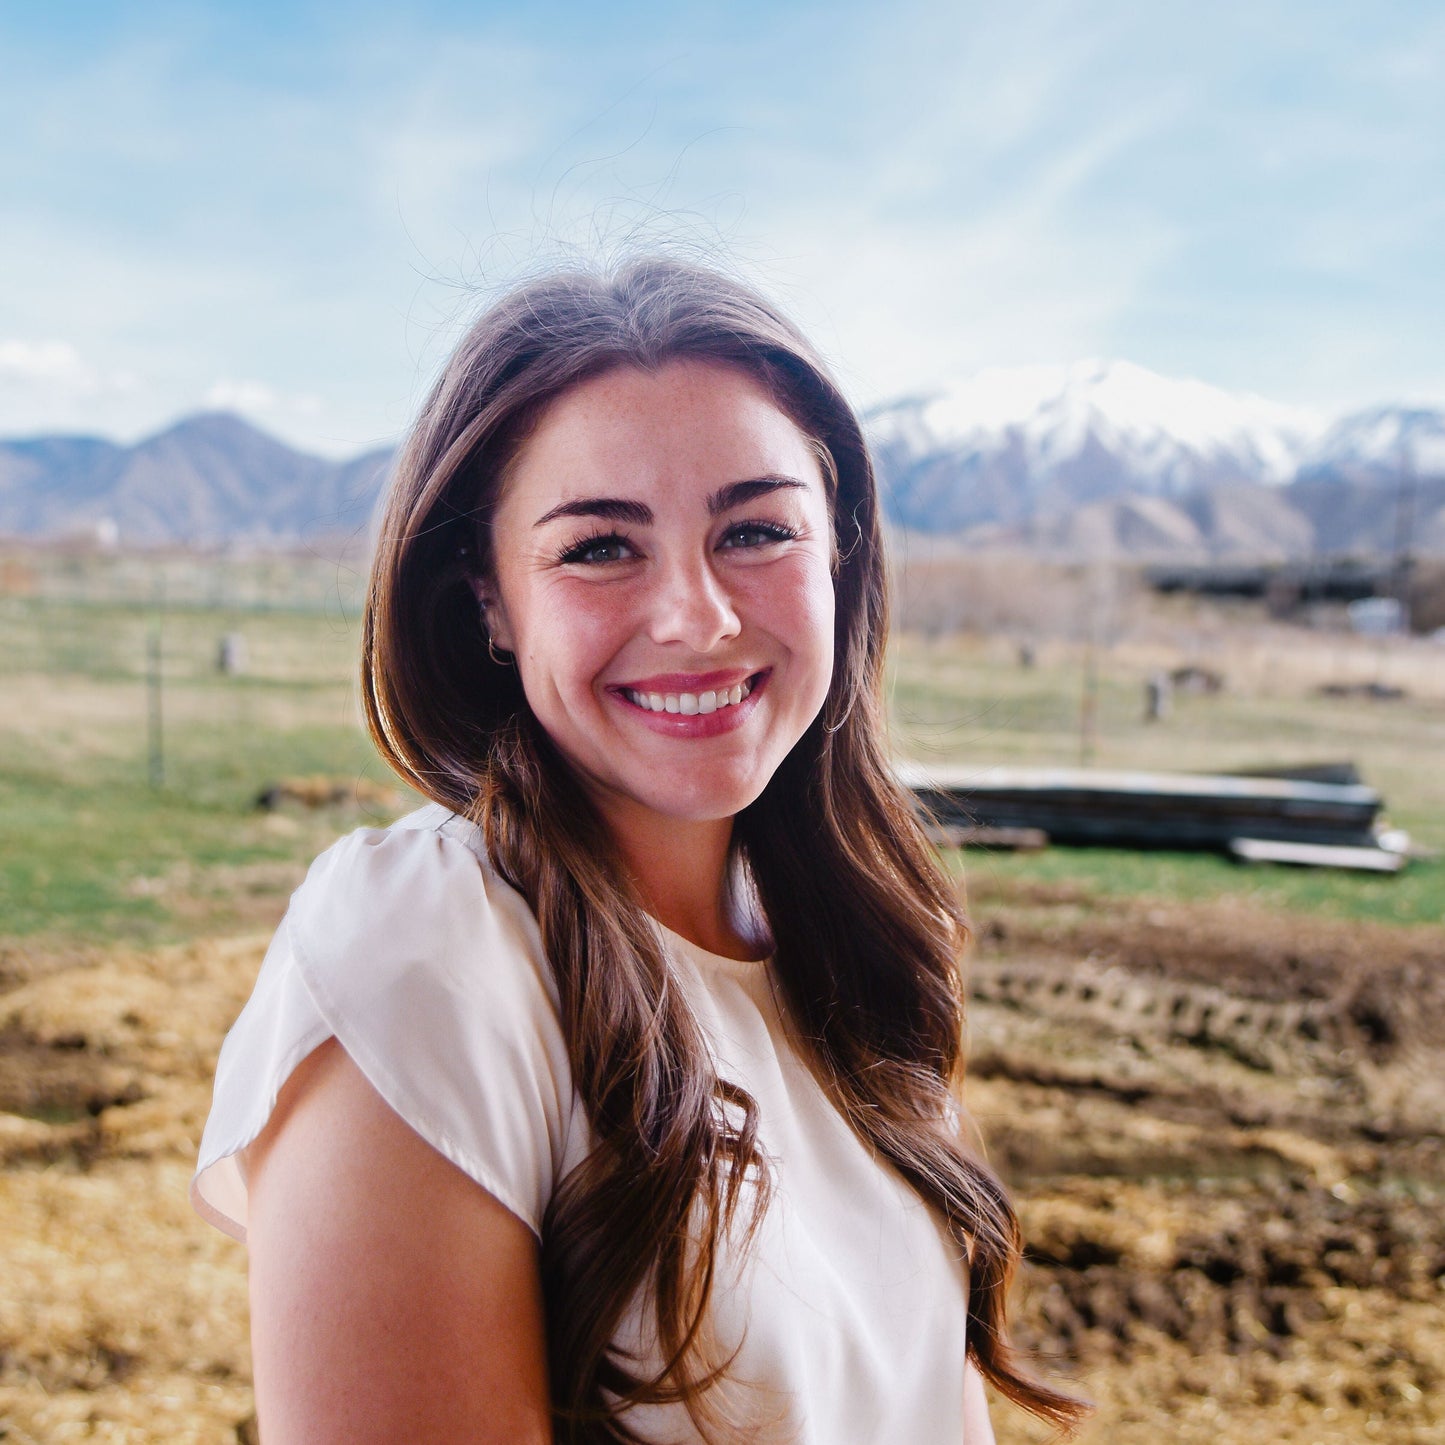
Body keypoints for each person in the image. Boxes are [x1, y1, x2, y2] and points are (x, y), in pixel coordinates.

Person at [191, 257, 1086, 1443]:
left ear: (837, 555)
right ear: (488, 599)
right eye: (600, 548)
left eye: (754, 529)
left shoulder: (851, 947)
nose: (696, 616)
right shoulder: (422, 948)